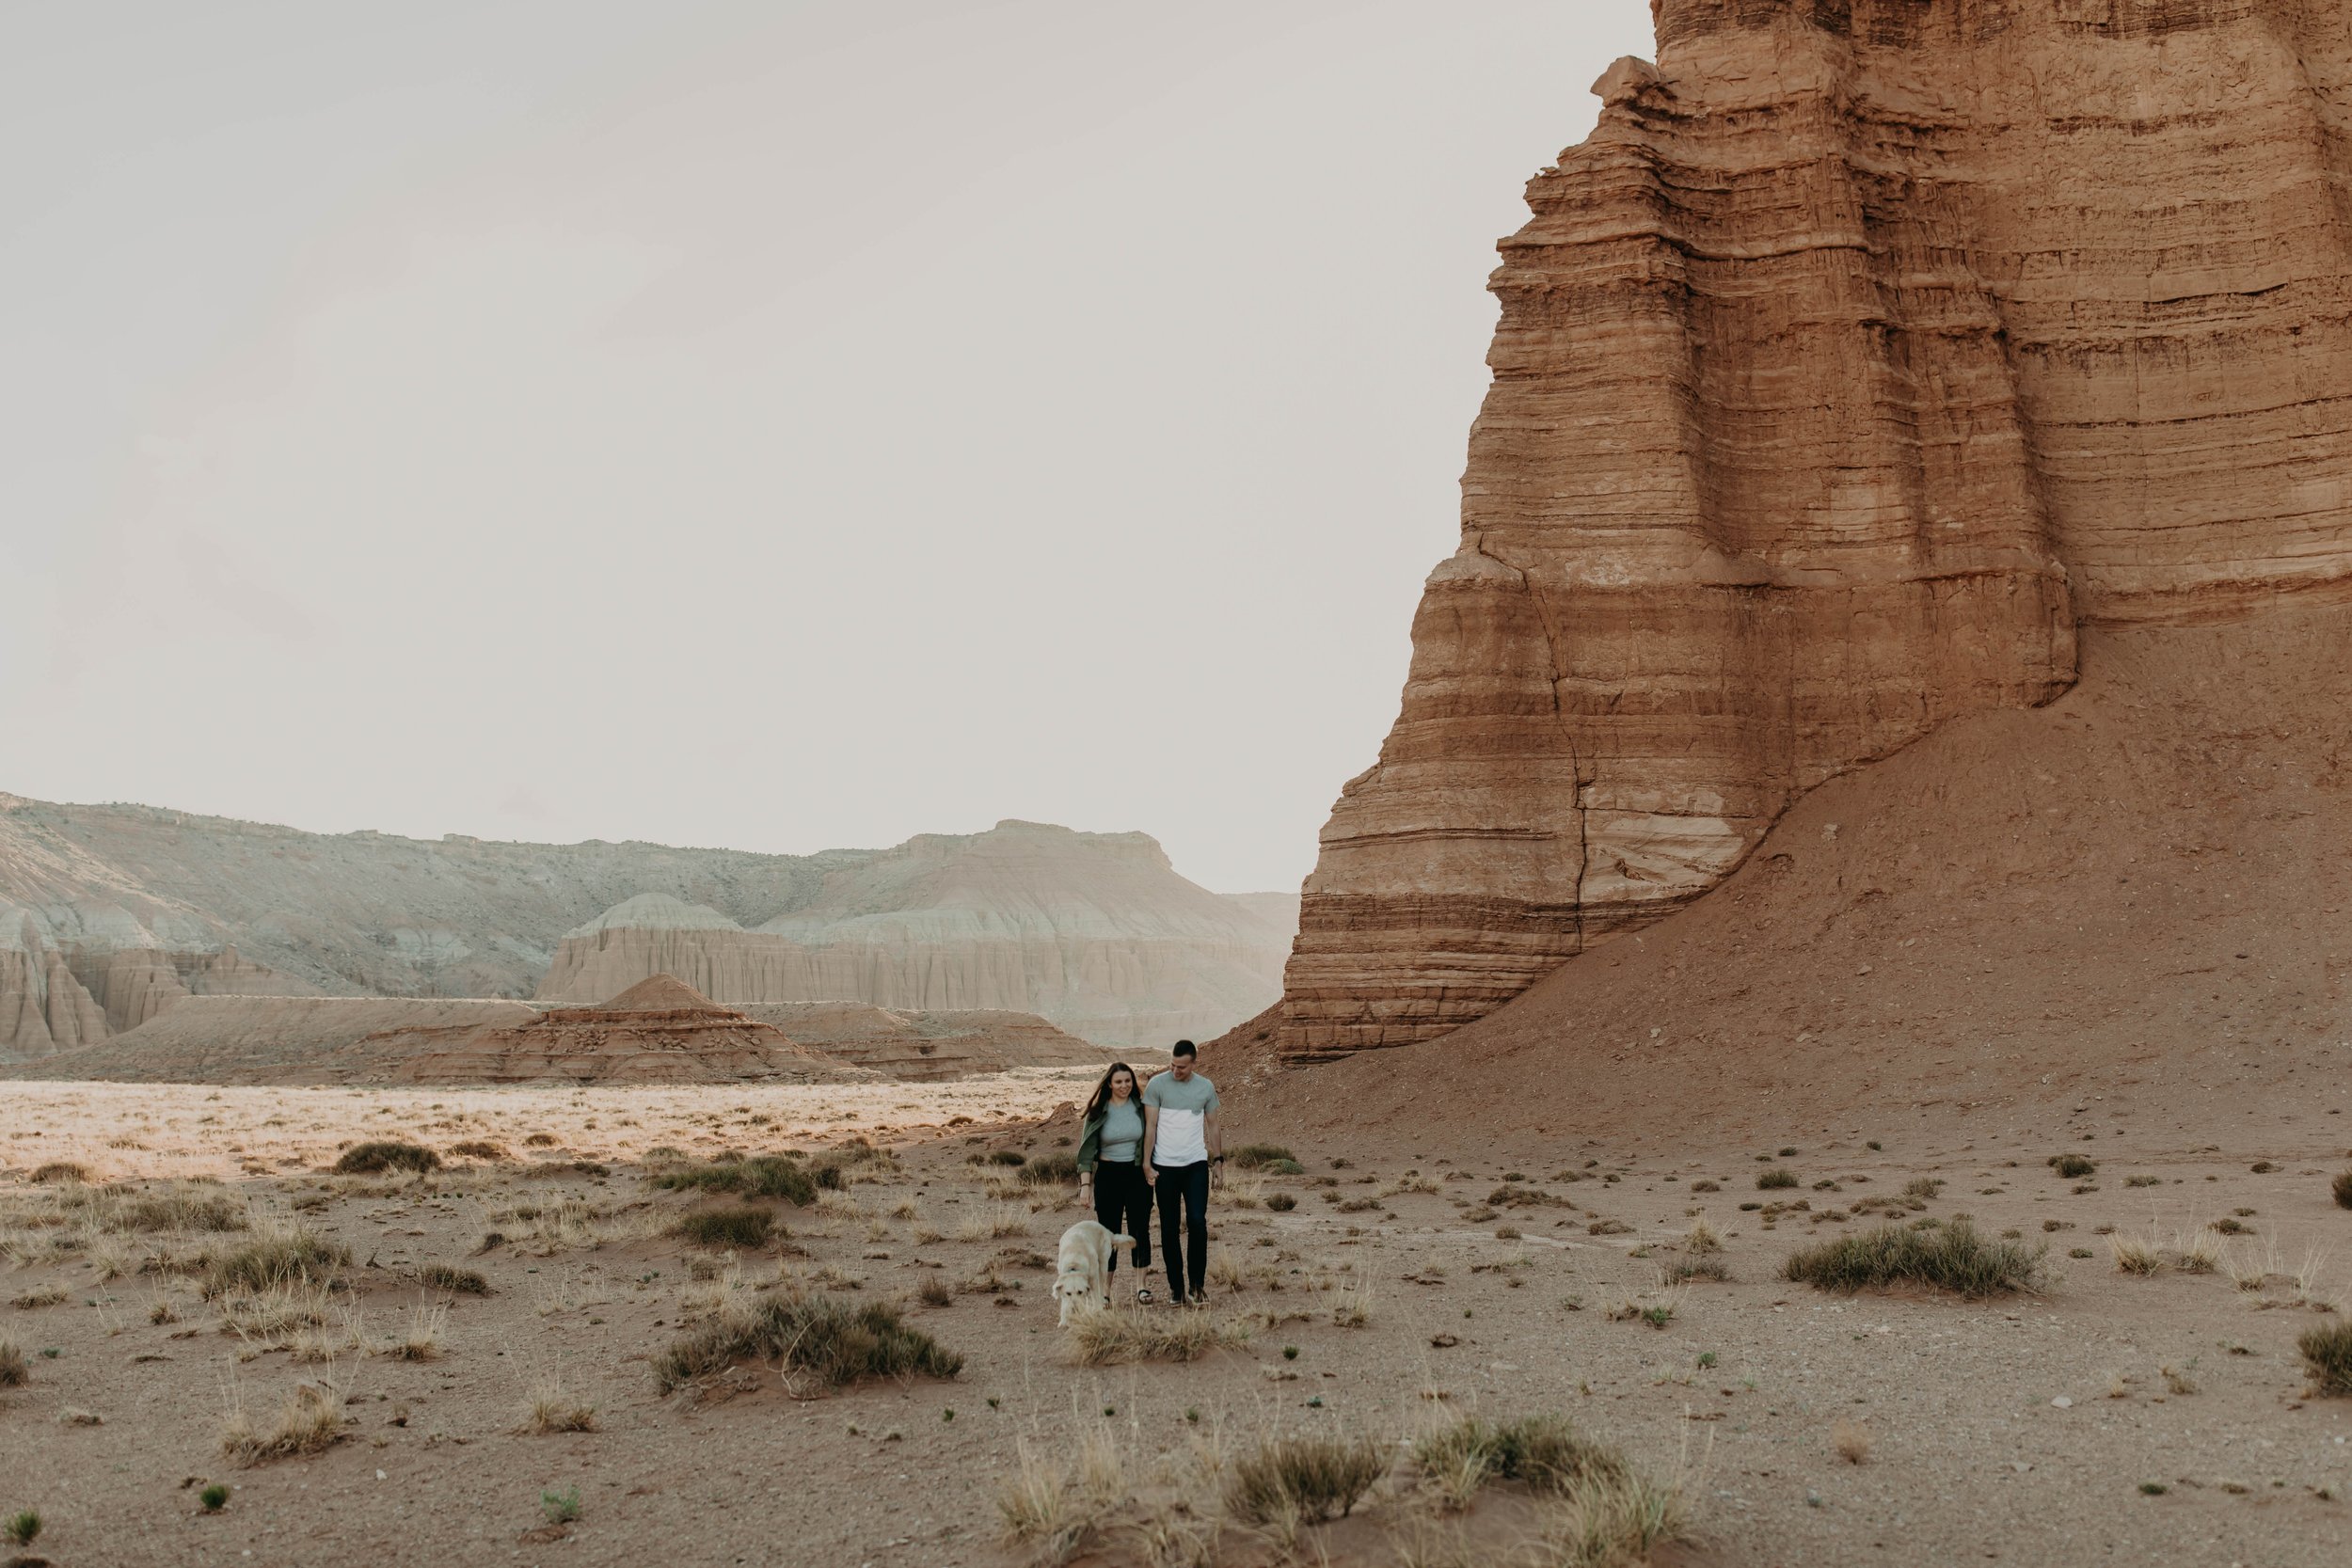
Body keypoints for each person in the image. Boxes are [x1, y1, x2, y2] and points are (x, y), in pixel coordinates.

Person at [1139, 1038, 1221, 1307]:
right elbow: (1150, 1126)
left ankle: (1197, 1287)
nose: (1176, 1071)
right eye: (1172, 1065)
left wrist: (1218, 1161)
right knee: (1169, 1227)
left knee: (1198, 1222)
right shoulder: (1156, 1085)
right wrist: (1147, 1163)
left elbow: (1213, 1126)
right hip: (1165, 1168)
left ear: (1194, 1064)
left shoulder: (1205, 1087)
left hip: (1196, 1165)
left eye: (1182, 1067)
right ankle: (1176, 1289)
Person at [1074, 1061, 1153, 1304]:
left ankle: (1142, 1287)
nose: (1124, 1086)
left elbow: (1152, 1137)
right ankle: (1105, 1292)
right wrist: (1085, 1186)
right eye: (1118, 1081)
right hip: (1108, 1176)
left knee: (1140, 1229)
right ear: (1109, 1083)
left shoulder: (1141, 1107)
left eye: (1128, 1081)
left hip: (1136, 1174)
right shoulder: (1098, 1111)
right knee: (1108, 1234)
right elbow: (1086, 1152)